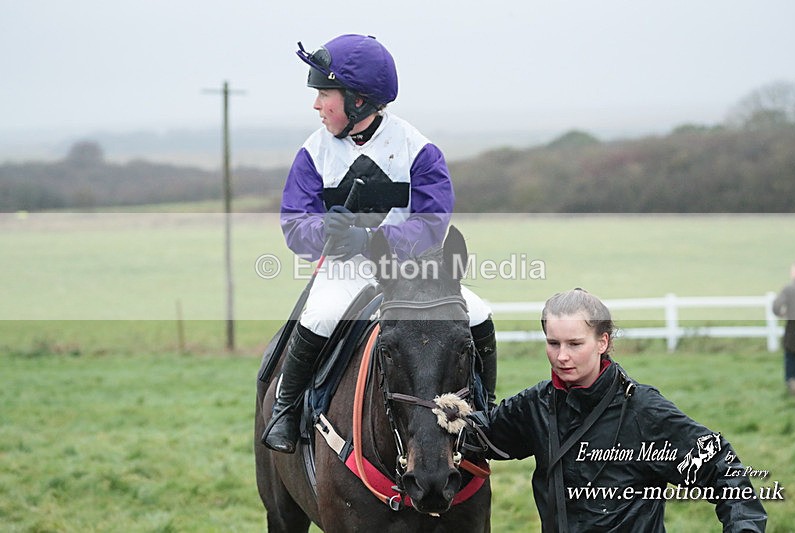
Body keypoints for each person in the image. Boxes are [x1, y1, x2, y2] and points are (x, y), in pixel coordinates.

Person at [263, 34, 497, 454]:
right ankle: (285, 408)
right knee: (320, 315)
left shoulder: (418, 149)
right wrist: (324, 231)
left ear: (358, 100)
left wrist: (372, 241)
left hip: (412, 270)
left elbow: (432, 223)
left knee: (478, 313)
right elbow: (295, 224)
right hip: (344, 270)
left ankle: (484, 414)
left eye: (324, 94)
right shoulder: (312, 153)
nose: (317, 105)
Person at [468, 288, 767, 532]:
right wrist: (443, 413)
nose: (562, 356)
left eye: (575, 344)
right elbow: (480, 433)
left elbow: (722, 469)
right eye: (553, 343)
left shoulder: (643, 411)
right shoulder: (535, 405)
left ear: (603, 342)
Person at [773, 260, 795, 398]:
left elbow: (776, 307)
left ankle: (793, 389)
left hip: (794, 334)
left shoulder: (789, 289)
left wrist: (783, 314)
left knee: (791, 366)